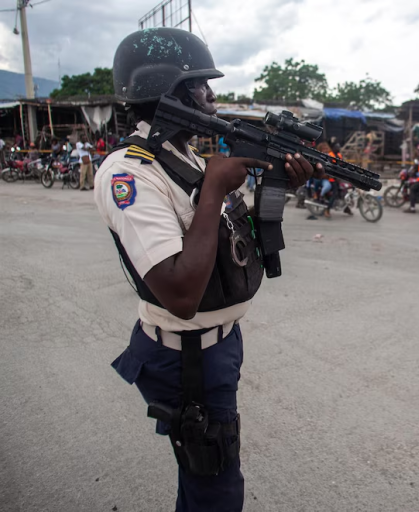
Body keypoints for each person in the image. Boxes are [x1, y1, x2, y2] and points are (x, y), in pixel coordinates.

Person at [94, 28, 319, 512]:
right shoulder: (130, 172)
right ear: (167, 92)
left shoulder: (186, 157)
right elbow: (178, 292)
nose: (213, 99)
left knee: (204, 477)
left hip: (217, 346)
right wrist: (215, 184)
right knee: (215, 486)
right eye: (201, 86)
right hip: (185, 358)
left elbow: (231, 239)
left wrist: (280, 186)